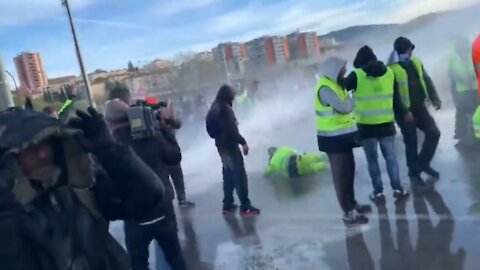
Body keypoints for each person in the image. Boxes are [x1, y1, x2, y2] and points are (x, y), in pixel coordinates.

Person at [0, 107, 165, 270]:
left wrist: (110, 151)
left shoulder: (81, 188)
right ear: (10, 159)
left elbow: (149, 196)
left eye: (46, 144)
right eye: (31, 149)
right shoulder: (8, 212)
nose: (43, 154)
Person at [105, 87, 187, 270]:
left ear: (110, 123)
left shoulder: (110, 148)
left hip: (135, 218)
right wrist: (167, 132)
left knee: (139, 263)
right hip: (163, 210)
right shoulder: (152, 135)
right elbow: (174, 156)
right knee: (175, 257)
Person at [345, 46, 410, 202]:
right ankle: (398, 188)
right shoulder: (389, 73)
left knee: (372, 162)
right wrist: (405, 113)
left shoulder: (356, 75)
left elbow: (341, 89)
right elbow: (396, 100)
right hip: (387, 125)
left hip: (366, 128)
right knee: (391, 159)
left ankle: (378, 191)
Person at [315, 57, 371, 224]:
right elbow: (345, 107)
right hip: (332, 140)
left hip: (343, 138)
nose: (345, 72)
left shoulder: (336, 84)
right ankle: (348, 212)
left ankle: (352, 204)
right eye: (343, 69)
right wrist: (354, 97)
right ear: (334, 69)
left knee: (349, 172)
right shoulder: (325, 88)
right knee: (341, 177)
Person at [388, 37, 442, 186]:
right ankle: (414, 173)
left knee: (434, 133)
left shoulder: (415, 62)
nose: (411, 53)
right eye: (409, 50)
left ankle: (422, 164)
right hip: (404, 113)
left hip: (420, 108)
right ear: (402, 51)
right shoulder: (391, 69)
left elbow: (426, 79)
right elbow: (392, 95)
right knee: (411, 141)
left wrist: (434, 97)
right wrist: (404, 112)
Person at [206, 84, 260, 216]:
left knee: (228, 175)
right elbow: (231, 130)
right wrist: (243, 142)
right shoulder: (225, 109)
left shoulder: (213, 108)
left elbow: (211, 131)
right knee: (239, 176)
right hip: (230, 146)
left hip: (221, 146)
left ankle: (228, 205)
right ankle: (245, 207)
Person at [146, 98, 195, 208]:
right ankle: (166, 201)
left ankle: (182, 199)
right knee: (163, 178)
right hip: (159, 153)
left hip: (171, 151)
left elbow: (178, 124)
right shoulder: (150, 122)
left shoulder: (168, 119)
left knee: (177, 175)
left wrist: (169, 120)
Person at [448, 37, 479, 145]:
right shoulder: (453, 56)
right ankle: (461, 134)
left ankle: (475, 135)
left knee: (476, 111)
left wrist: (474, 77)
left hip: (475, 87)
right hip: (462, 90)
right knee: (462, 112)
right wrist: (463, 80)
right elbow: (452, 72)